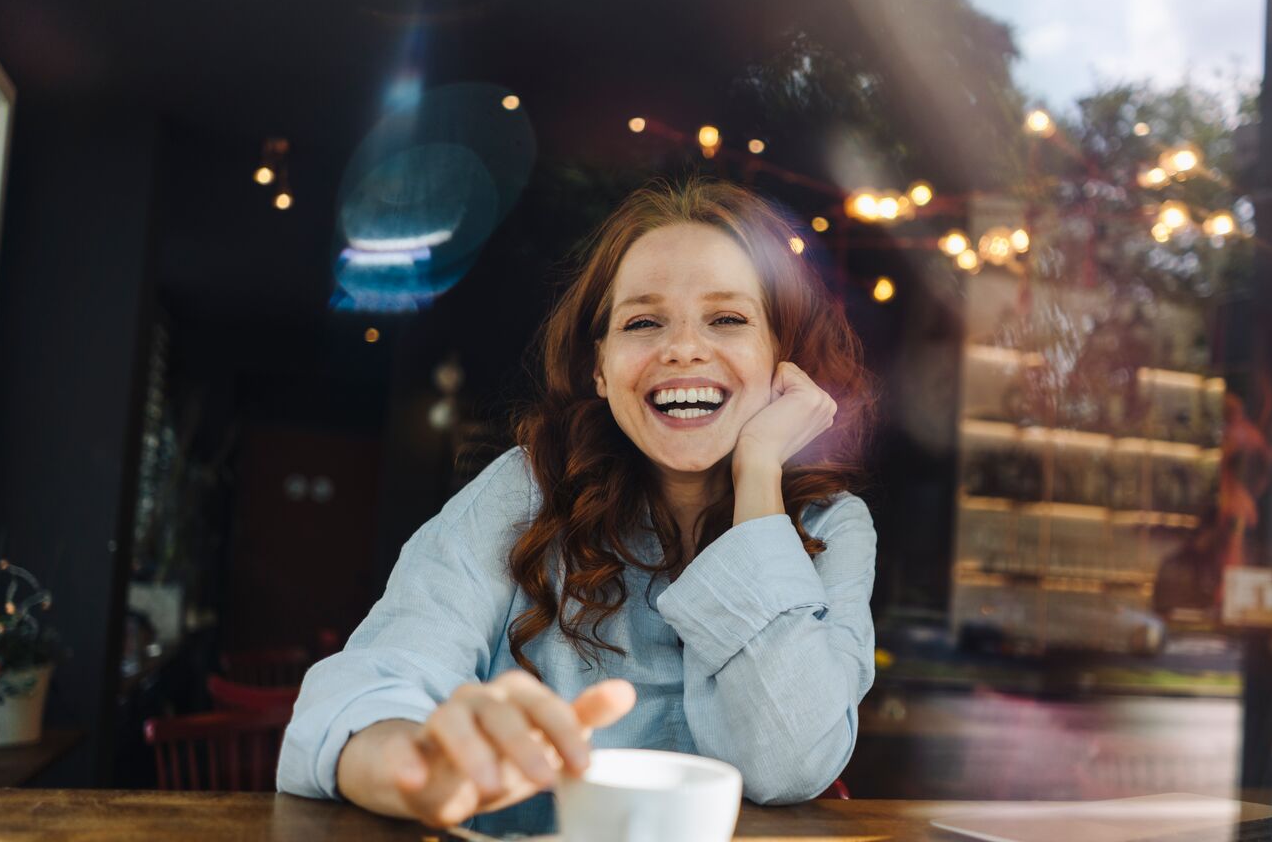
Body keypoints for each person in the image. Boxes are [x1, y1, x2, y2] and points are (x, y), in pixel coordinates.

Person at [276, 178, 878, 836]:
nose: (682, 349)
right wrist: (418, 763)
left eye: (728, 319)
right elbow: (369, 683)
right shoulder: (528, 488)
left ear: (780, 362)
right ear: (600, 367)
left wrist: (758, 472)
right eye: (643, 322)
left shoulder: (829, 527)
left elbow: (785, 765)